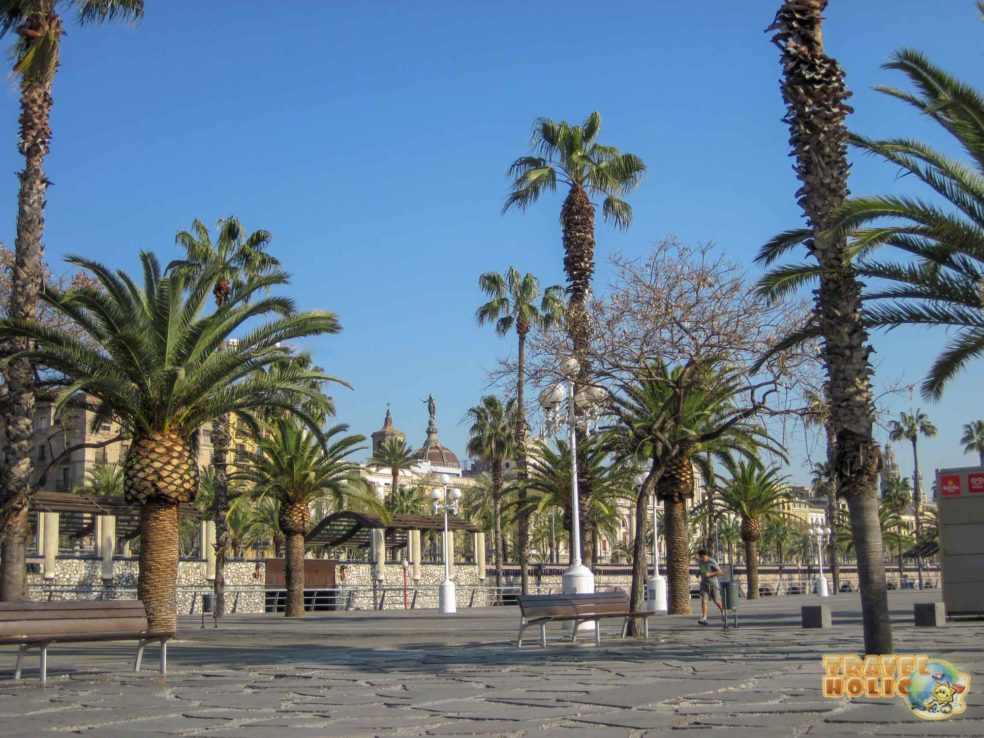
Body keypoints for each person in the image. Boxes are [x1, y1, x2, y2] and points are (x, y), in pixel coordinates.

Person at [697, 548, 725, 625]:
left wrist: (710, 574)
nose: (701, 559)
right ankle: (704, 617)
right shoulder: (701, 562)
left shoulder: (711, 561)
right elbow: (703, 569)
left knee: (716, 600)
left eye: (703, 557)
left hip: (713, 583)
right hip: (704, 584)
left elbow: (720, 571)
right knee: (704, 599)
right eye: (700, 557)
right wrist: (698, 573)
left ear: (706, 555)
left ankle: (724, 612)